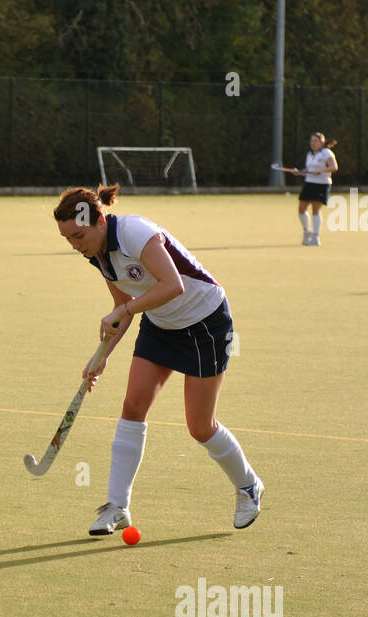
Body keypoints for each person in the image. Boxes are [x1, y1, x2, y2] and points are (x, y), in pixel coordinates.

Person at [52, 184, 264, 536]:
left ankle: (248, 486)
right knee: (133, 405)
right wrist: (100, 356)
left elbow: (172, 285)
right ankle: (117, 506)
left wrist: (125, 308)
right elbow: (123, 312)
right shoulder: (98, 254)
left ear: (99, 220)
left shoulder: (135, 232)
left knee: (200, 426)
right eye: (68, 239)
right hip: (161, 324)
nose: (75, 245)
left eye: (78, 235)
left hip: (205, 322)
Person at [293, 132, 337, 246]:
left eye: (315, 141)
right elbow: (308, 170)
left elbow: (334, 167)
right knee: (301, 209)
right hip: (309, 183)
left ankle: (315, 237)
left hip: (322, 184)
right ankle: (307, 232)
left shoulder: (326, 153)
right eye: (311, 140)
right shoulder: (310, 154)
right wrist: (299, 172)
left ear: (322, 142)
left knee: (315, 209)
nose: (312, 143)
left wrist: (321, 171)